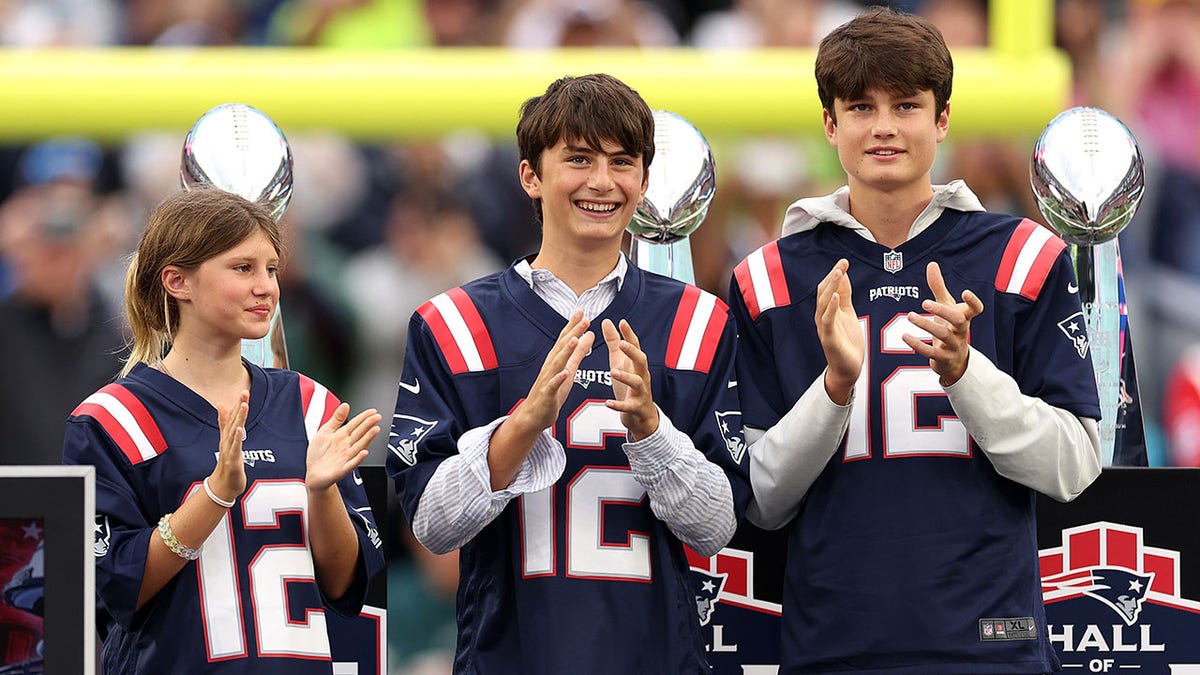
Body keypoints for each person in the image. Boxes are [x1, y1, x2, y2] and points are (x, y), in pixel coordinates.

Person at [727, 7, 1102, 673]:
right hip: (834, 646)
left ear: (943, 118)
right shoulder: (769, 278)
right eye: (861, 106)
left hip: (993, 645)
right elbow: (759, 498)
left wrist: (966, 373)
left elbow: (1073, 466)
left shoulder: (1024, 256)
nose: (885, 127)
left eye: (906, 104)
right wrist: (835, 387)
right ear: (829, 123)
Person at [387, 73, 751, 674]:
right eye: (578, 159)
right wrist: (522, 427)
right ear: (530, 174)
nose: (602, 182)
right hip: (512, 656)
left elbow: (717, 528)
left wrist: (652, 432)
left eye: (621, 161)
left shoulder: (700, 321)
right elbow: (433, 527)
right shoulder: (452, 323)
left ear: (644, 180)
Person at [62, 188, 385, 674]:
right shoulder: (111, 419)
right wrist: (214, 495)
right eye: (243, 268)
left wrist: (321, 493)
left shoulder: (310, 402)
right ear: (177, 281)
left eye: (271, 269)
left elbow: (346, 587)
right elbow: (115, 587)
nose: (267, 287)